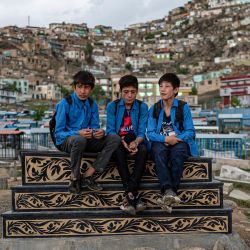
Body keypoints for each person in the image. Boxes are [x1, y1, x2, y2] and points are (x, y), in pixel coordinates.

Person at [54, 71, 120, 193]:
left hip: (85, 140)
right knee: (79, 139)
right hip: (66, 141)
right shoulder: (65, 104)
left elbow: (94, 126)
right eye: (79, 87)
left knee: (114, 138)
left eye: (86, 87)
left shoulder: (92, 104)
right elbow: (58, 133)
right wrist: (78, 133)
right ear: (74, 87)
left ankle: (88, 175)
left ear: (91, 89)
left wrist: (99, 132)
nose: (83, 91)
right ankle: (74, 178)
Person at [147, 73, 198, 212]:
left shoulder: (183, 107)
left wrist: (176, 139)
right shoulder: (154, 108)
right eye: (160, 86)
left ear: (175, 90)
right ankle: (169, 191)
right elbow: (150, 133)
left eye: (167, 86)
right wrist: (166, 139)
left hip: (179, 140)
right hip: (160, 141)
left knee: (179, 152)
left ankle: (169, 192)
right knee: (158, 151)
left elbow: (190, 131)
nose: (162, 89)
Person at [106, 75, 148, 215]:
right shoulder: (113, 106)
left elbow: (142, 131)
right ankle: (133, 194)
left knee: (143, 151)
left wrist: (136, 142)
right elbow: (111, 130)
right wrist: (122, 142)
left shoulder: (142, 107)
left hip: (135, 139)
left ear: (137, 91)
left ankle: (129, 195)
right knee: (117, 151)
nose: (129, 95)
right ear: (121, 92)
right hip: (118, 140)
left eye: (132, 92)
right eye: (126, 92)